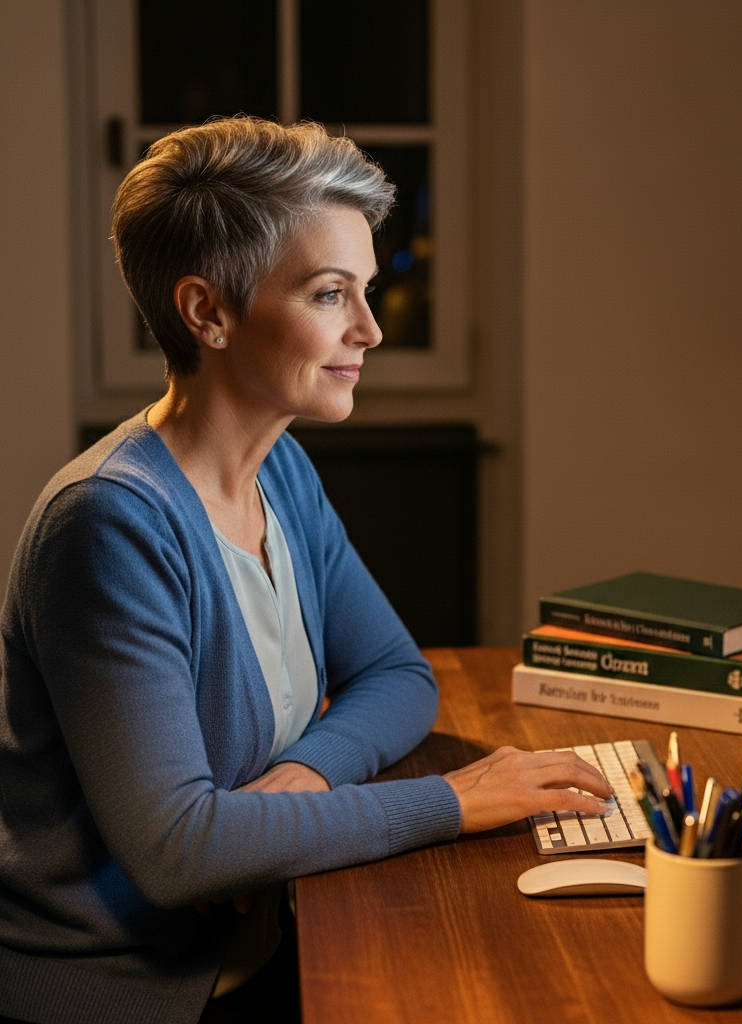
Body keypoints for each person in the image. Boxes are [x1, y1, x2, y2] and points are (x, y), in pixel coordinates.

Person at [0, 116, 612, 1024]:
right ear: (207, 312)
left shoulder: (278, 467)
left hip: (266, 936)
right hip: (127, 993)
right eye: (331, 295)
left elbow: (400, 677)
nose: (369, 328)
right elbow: (181, 851)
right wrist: (453, 800)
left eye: (364, 291)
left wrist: (309, 775)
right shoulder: (108, 526)